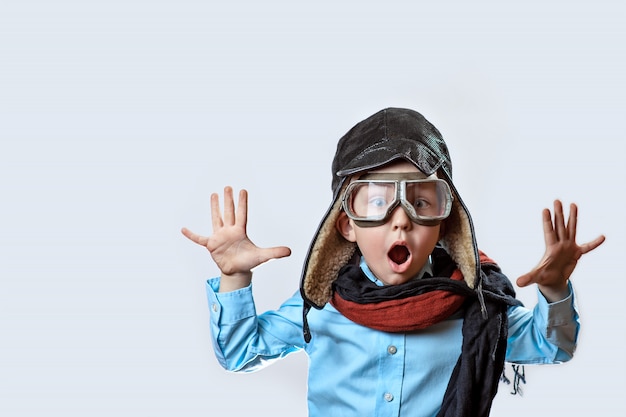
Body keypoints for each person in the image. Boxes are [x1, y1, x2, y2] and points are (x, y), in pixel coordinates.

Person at [182, 108, 605, 416]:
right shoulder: (320, 305)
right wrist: (234, 276)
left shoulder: (475, 308)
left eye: (422, 201)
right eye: (378, 201)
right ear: (346, 224)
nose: (400, 220)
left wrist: (554, 290)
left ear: (445, 224)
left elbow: (552, 346)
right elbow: (239, 353)